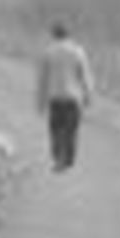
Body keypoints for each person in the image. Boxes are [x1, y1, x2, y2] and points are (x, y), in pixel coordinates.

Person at [35, 21, 95, 172]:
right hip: (73, 98)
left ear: (54, 34)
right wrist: (88, 95)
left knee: (55, 129)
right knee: (70, 131)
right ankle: (67, 160)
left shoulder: (48, 52)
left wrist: (41, 102)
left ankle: (57, 158)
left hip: (55, 98)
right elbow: (85, 75)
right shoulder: (77, 51)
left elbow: (43, 79)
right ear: (69, 35)